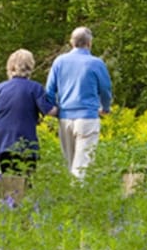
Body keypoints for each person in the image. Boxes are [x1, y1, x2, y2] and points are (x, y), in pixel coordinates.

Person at [45, 26, 112, 179]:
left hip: (64, 118)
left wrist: (54, 110)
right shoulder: (96, 63)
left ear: (71, 42)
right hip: (87, 117)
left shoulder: (59, 61)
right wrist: (105, 107)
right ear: (89, 43)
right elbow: (106, 89)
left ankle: (71, 199)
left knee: (70, 165)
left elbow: (49, 90)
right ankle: (78, 200)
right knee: (82, 167)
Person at [0, 48, 57, 176]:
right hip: (25, 140)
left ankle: (8, 196)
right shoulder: (35, 88)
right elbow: (49, 111)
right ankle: (21, 195)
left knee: (8, 176)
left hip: (3, 140)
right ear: (30, 67)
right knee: (25, 178)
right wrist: (66, 108)